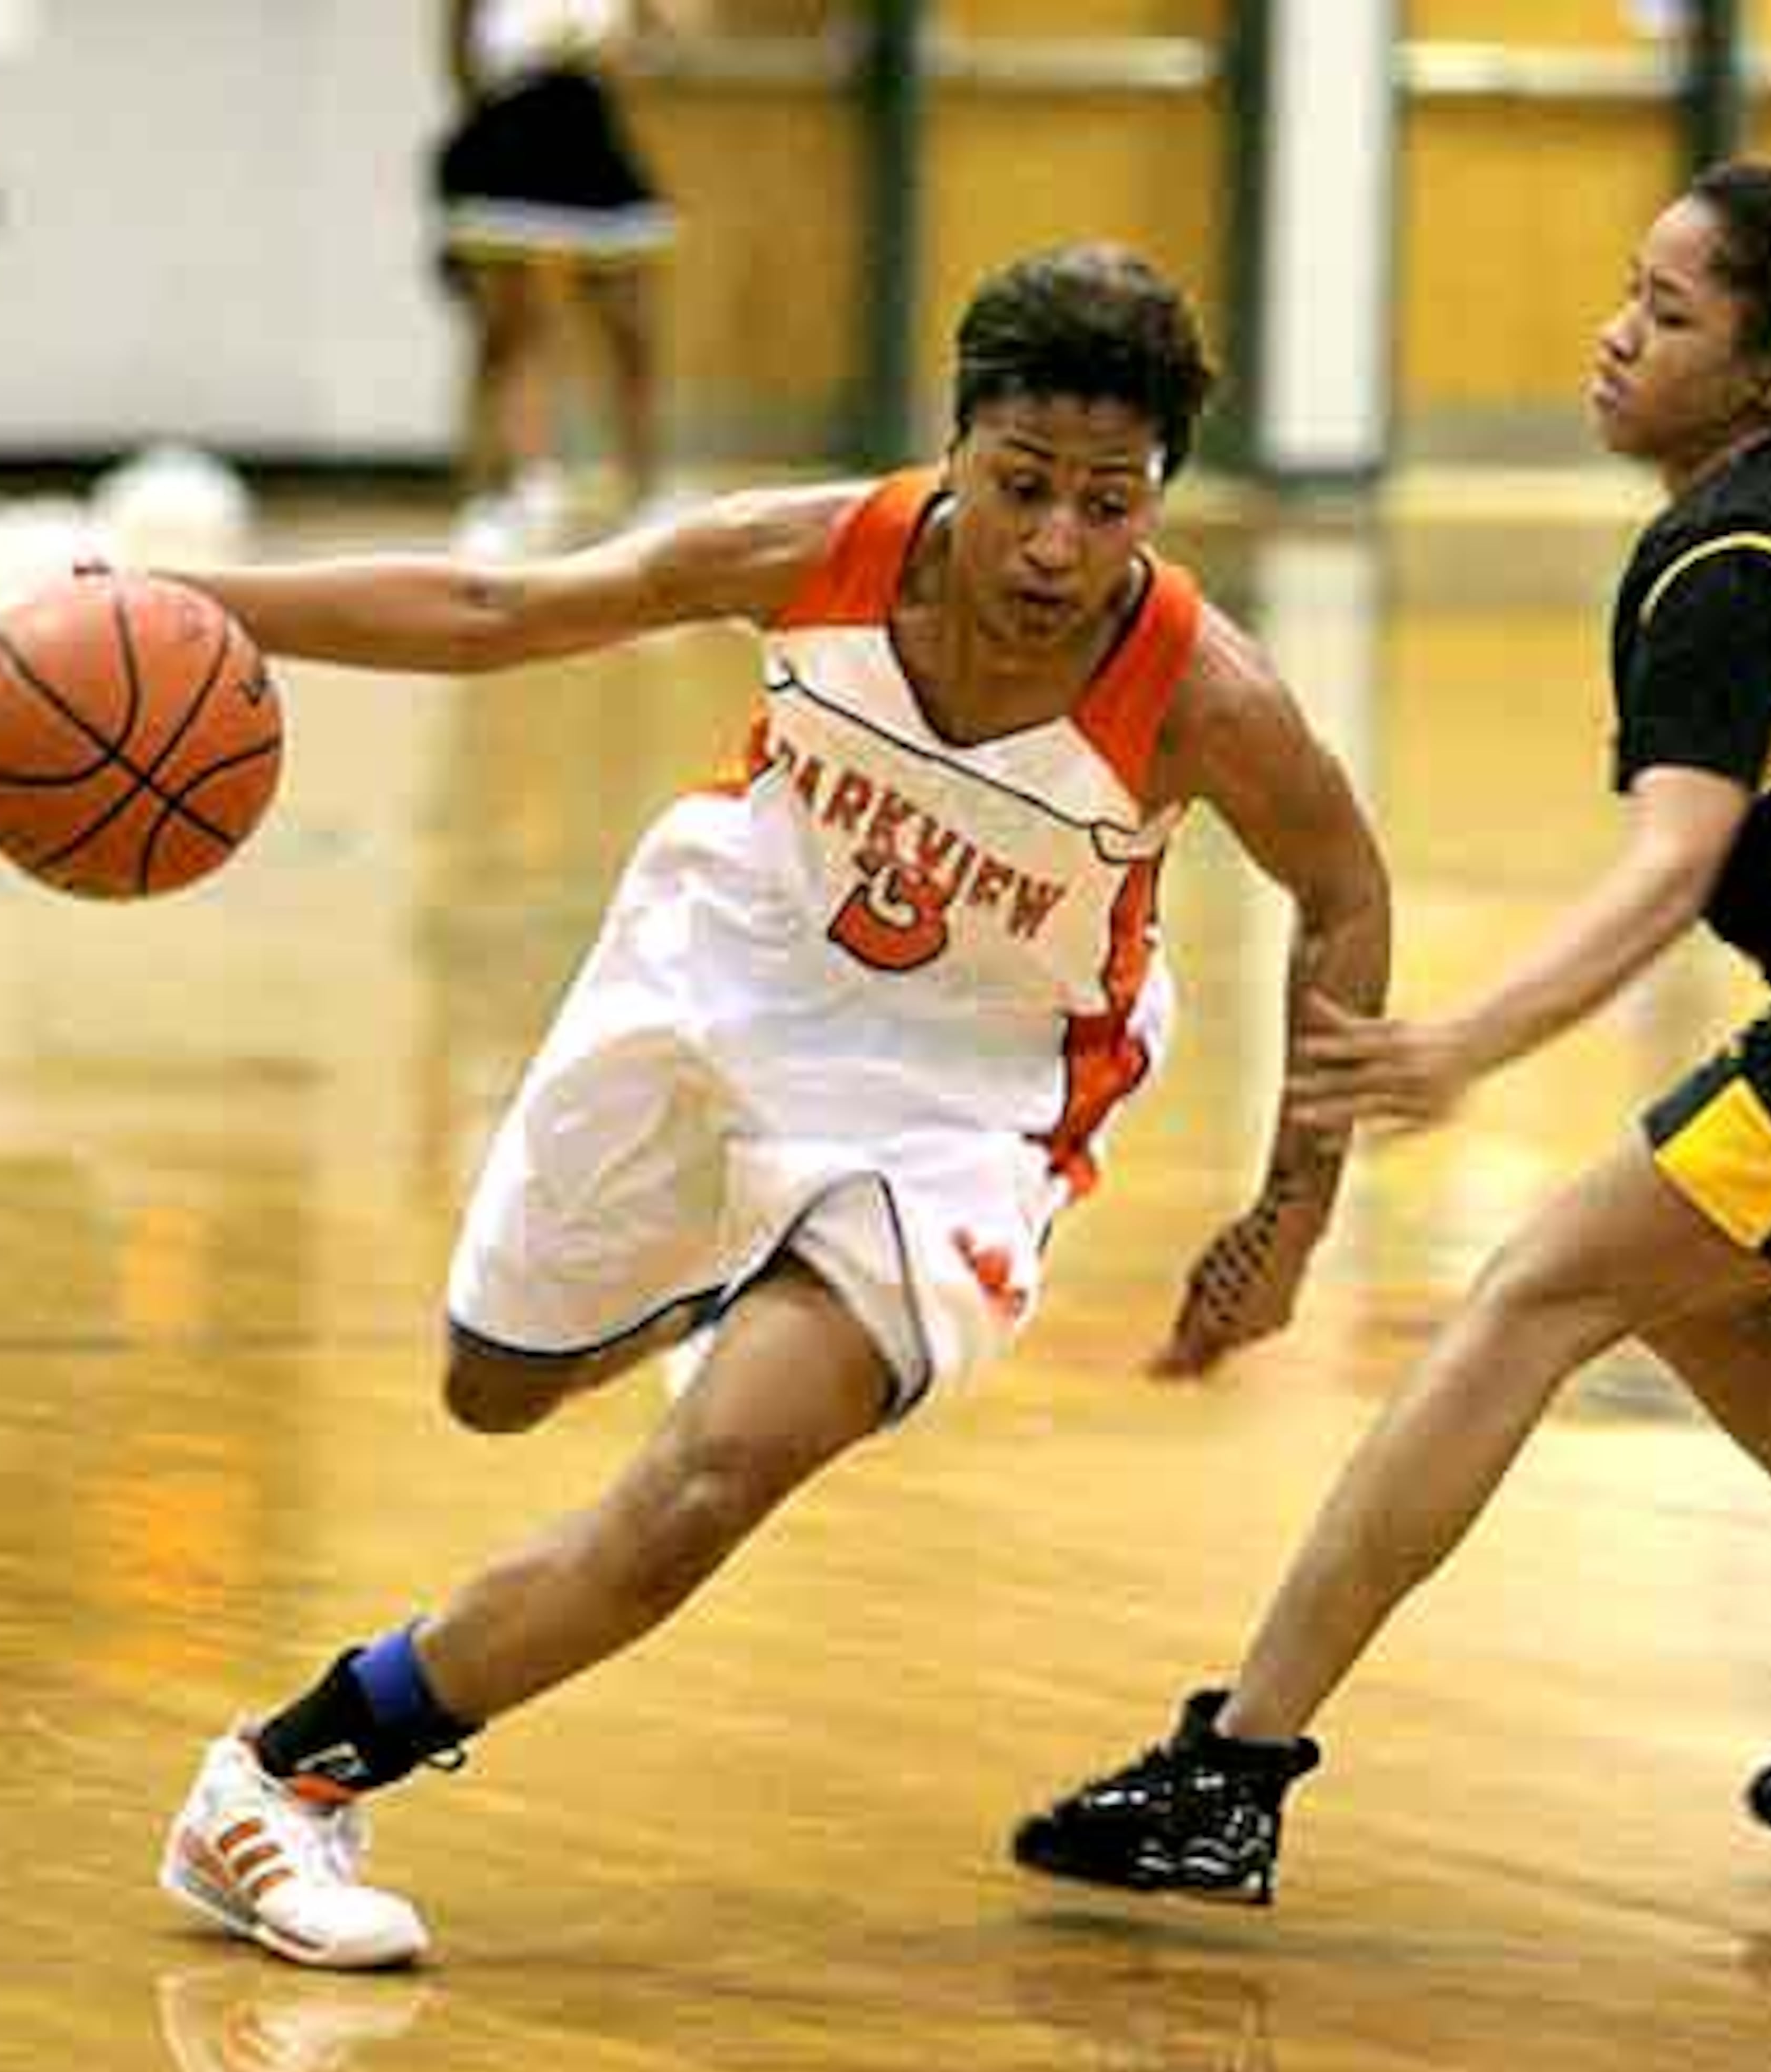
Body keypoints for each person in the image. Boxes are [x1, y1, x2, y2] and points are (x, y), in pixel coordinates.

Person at [153, 241, 1392, 1968]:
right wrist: (196, 603)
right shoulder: (815, 552)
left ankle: (280, 1777)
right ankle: (714, 1270)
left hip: (969, 1097)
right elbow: (512, 612)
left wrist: (1294, 1210)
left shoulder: (1201, 692)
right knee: (490, 1387)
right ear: (952, 449)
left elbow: (1345, 891)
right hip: (720, 976)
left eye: (1110, 505)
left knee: (702, 1484)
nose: (1056, 542)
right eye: (1023, 483)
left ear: (1158, 503)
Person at [1012, 159, 1771, 1904]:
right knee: (1699, 1311)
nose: (1616, 336)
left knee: (1535, 1294)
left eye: (1671, 314)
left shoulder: (1743, 557)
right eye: (1631, 291)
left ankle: (1233, 1766)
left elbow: (1675, 860)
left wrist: (1468, 1040)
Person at [435, 0, 695, 556]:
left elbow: (668, 39)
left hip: (591, 123)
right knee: (511, 331)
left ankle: (647, 491)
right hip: (509, 127)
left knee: (633, 327)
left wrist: (628, 43)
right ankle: (502, 494)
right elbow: (458, 47)